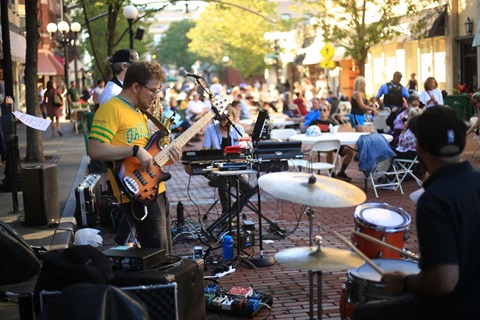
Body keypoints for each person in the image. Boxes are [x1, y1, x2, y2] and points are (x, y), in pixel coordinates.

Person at [353, 106, 480, 320]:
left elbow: (443, 280)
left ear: (419, 148)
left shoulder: (434, 200)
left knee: (363, 314)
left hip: (454, 308)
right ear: (461, 144)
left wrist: (403, 283)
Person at [88, 61, 182, 251]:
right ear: (136, 87)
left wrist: (167, 157)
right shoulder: (111, 109)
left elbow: (148, 152)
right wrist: (135, 150)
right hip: (135, 192)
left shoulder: (139, 112)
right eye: (153, 91)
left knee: (165, 250)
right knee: (155, 253)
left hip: (156, 188)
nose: (156, 96)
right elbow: (95, 150)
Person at [201, 105, 255, 216]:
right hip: (217, 167)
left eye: (226, 120)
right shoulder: (211, 129)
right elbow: (205, 149)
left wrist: (241, 158)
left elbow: (243, 148)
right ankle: (227, 214)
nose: (223, 124)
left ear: (233, 118)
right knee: (223, 182)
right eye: (221, 120)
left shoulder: (238, 129)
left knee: (249, 190)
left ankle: (232, 213)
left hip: (235, 168)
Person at [310, 104, 355, 182]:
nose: (322, 112)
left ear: (328, 112)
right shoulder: (314, 122)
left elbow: (337, 134)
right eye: (320, 110)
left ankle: (342, 172)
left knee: (351, 150)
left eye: (324, 110)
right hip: (320, 145)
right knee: (330, 148)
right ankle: (331, 172)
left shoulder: (332, 123)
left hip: (335, 144)